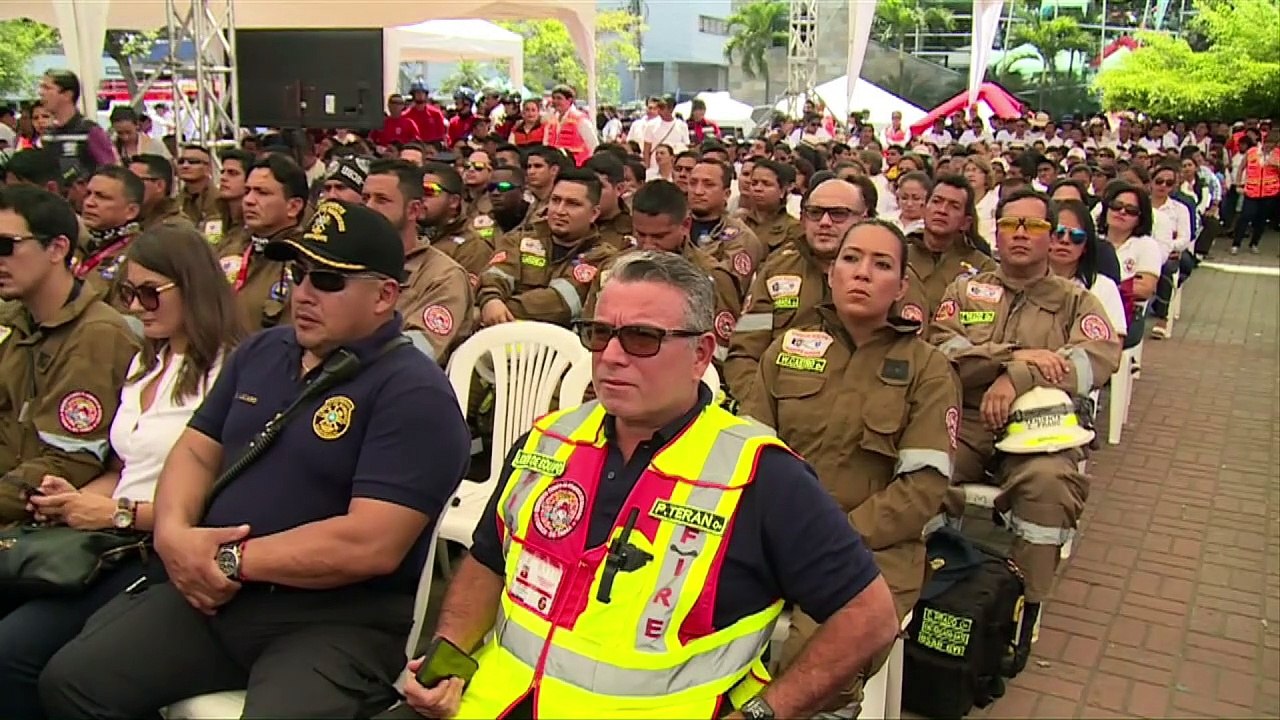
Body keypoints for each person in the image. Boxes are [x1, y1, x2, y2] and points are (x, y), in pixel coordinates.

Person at [384, 250, 899, 720]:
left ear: (701, 355)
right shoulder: (548, 440)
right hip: (493, 704)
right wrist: (448, 653)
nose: (611, 356)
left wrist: (763, 714)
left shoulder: (761, 474)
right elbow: (488, 559)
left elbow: (869, 617)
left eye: (642, 338)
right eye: (600, 334)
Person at [39, 201, 472, 719]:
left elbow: (370, 543)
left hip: (334, 619)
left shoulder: (413, 393)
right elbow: (197, 449)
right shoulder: (262, 352)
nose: (304, 294)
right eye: (298, 274)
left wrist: (226, 561)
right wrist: (173, 534)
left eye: (328, 281)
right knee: (71, 682)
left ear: (384, 296)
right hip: (216, 598)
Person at [0, 224, 242, 720]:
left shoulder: (230, 371)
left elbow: (222, 501)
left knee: (16, 654)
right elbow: (125, 464)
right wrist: (73, 498)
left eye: (150, 293)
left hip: (160, 554)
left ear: (192, 286)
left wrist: (115, 513)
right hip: (111, 540)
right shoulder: (146, 365)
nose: (135, 307)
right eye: (129, 292)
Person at [741, 220, 959, 715]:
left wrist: (827, 538)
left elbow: (922, 489)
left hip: (870, 550)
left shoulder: (928, 369)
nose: (862, 273)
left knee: (814, 663)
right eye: (851, 259)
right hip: (772, 538)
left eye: (881, 265)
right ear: (832, 272)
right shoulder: (787, 349)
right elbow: (749, 454)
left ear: (902, 287)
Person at [927, 188, 1121, 666]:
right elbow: (939, 349)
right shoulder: (965, 290)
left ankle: (1026, 605)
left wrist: (1013, 380)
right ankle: (933, 582)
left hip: (1044, 427)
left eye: (1032, 227)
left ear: (1051, 237)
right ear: (995, 231)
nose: (1019, 234)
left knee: (1049, 484)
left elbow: (1095, 360)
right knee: (923, 469)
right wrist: (1015, 357)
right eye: (1010, 224)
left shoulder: (1077, 302)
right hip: (968, 419)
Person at [0, 186, 138, 524]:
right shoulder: (13, 322)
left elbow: (70, 461)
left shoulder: (97, 336)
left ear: (57, 248)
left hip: (39, 525)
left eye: (6, 246)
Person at [725, 176, 874, 400]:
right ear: (803, 218)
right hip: (779, 407)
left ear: (864, 218)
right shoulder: (778, 268)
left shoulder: (887, 273)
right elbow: (745, 352)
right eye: (815, 213)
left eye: (838, 214)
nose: (824, 222)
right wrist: (758, 406)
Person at [363, 159, 473, 365]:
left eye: (382, 200)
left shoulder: (443, 276)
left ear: (413, 210)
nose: (369, 208)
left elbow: (417, 353)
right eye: (365, 198)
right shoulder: (351, 260)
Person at [476, 170, 619, 329]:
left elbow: (561, 303)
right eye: (556, 200)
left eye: (573, 204)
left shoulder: (604, 257)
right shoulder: (519, 239)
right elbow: (495, 274)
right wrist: (491, 299)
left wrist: (500, 309)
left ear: (593, 214)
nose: (560, 211)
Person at [897, 175, 996, 329]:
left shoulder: (983, 267)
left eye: (954, 206)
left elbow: (986, 317)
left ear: (965, 222)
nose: (942, 210)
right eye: (936, 201)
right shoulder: (898, 254)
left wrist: (954, 316)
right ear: (924, 209)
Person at [1097, 182, 1161, 348]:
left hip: (1128, 314)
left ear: (1140, 218)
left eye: (1131, 210)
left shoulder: (1146, 245)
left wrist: (1101, 289)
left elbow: (1144, 289)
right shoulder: (1092, 240)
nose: (1122, 212)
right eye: (1116, 206)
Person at [36, 70, 115, 185]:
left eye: (47, 88)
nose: (41, 93)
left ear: (67, 94)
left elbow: (110, 171)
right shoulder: (47, 134)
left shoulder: (89, 131)